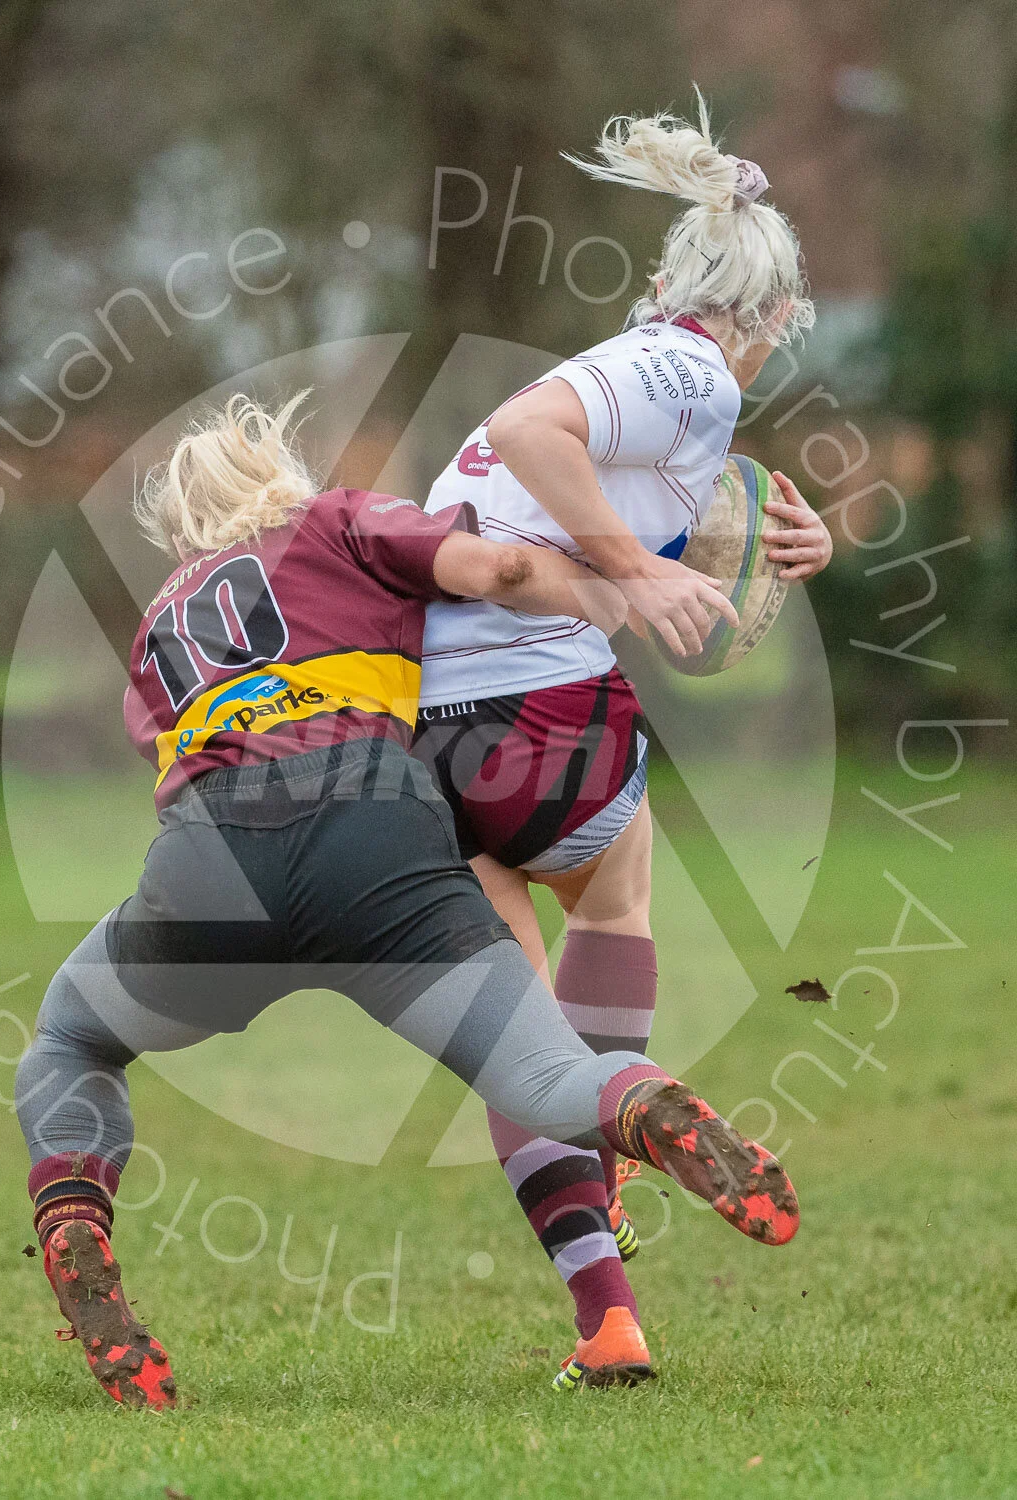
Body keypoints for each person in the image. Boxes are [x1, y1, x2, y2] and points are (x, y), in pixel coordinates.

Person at [12, 392, 799, 1409]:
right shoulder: (339, 520)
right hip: (383, 843)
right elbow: (501, 568)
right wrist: (616, 582)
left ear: (180, 534)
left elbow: (160, 746)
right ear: (279, 481)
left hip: (216, 860)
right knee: (543, 1073)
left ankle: (76, 1220)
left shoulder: (159, 626)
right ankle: (643, 1107)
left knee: (71, 1041)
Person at [411, 97, 833, 1385]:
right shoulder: (685, 365)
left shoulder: (665, 388)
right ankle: (650, 1101)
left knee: (519, 1045)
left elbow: (664, 492)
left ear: (666, 277)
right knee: (614, 909)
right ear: (764, 318)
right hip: (550, 714)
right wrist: (630, 579)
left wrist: (790, 542)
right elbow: (542, 434)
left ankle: (607, 1317)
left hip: (438, 731)